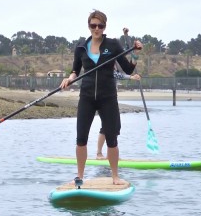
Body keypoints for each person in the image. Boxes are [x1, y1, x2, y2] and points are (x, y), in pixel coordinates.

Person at [60, 10, 142, 185]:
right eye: (93, 25)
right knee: (81, 138)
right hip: (87, 97)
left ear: (105, 27)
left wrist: (135, 53)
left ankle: (115, 177)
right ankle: (80, 176)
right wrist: (69, 79)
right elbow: (75, 71)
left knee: (112, 139)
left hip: (108, 98)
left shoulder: (113, 45)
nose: (96, 29)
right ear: (89, 26)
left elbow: (128, 70)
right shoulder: (81, 46)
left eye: (100, 26)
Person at [96, 70, 141, 160]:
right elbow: (113, 74)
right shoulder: (104, 59)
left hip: (112, 98)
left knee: (116, 127)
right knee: (106, 126)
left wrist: (134, 59)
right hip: (101, 97)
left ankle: (111, 154)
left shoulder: (115, 61)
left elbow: (126, 67)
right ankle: (99, 153)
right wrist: (130, 77)